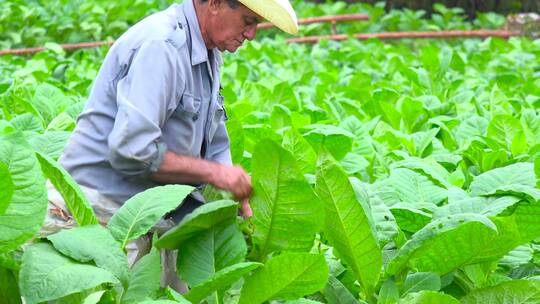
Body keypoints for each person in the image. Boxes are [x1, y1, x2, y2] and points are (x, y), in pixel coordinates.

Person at [43, 0, 299, 293]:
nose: (251, 34)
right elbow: (131, 150)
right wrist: (212, 174)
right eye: (247, 20)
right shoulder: (162, 46)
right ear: (215, 3)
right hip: (96, 215)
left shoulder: (208, 52)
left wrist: (235, 190)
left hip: (152, 217)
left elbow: (214, 142)